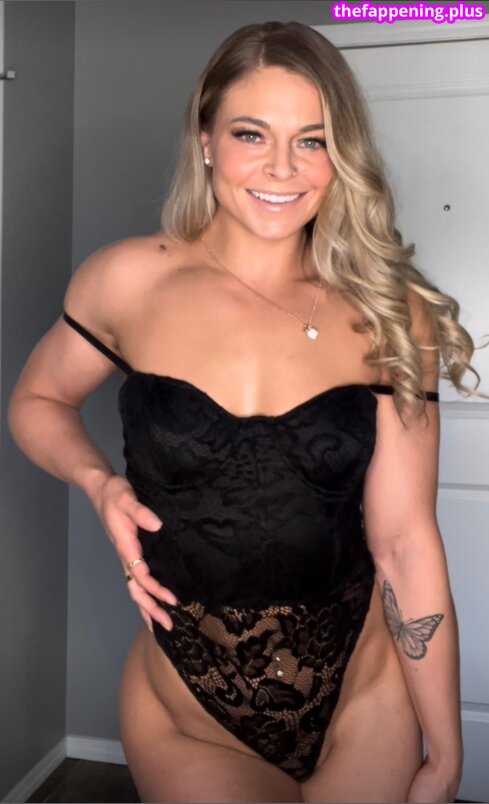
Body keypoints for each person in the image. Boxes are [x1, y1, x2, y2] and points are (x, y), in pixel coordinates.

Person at [8, 20, 487, 804]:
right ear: (205, 141)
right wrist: (99, 484)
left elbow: (404, 542)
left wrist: (444, 756)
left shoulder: (390, 313)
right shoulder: (127, 281)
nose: (280, 168)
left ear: (341, 155)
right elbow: (37, 399)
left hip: (363, 693)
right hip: (189, 708)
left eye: (311, 140)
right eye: (250, 134)